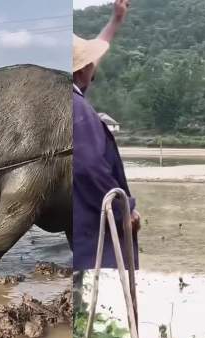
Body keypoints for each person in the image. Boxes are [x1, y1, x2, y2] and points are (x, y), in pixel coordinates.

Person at [72, 0, 140, 272]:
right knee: (105, 305)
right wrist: (125, 210)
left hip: (83, 230)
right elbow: (88, 166)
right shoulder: (77, 109)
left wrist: (116, 20)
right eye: (89, 61)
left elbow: (92, 59)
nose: (94, 65)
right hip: (95, 238)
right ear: (81, 70)